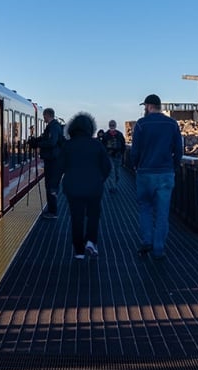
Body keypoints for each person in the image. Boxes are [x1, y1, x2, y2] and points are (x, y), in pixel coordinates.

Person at [129, 94, 183, 260]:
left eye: (144, 106)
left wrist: (135, 165)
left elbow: (135, 150)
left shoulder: (141, 124)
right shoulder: (172, 124)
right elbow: (179, 150)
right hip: (165, 173)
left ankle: (147, 240)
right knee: (162, 213)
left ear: (148, 106)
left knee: (145, 208)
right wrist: (172, 167)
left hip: (145, 173)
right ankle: (159, 248)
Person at [60, 112, 112, 260]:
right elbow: (107, 166)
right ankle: (91, 241)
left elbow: (60, 166)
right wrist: (100, 179)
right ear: (90, 128)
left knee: (77, 218)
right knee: (93, 215)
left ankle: (79, 251)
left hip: (73, 188)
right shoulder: (97, 145)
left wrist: (53, 187)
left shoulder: (68, 146)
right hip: (94, 188)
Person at [29, 107, 64, 218]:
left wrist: (38, 144)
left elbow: (52, 142)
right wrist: (36, 141)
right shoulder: (52, 126)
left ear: (47, 115)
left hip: (53, 161)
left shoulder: (53, 127)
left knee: (51, 186)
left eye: (44, 116)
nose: (43, 118)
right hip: (52, 160)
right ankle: (51, 209)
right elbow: (45, 138)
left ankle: (53, 212)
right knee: (49, 185)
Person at [100, 119, 126, 192]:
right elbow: (103, 146)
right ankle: (113, 187)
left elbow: (123, 145)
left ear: (115, 125)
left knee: (117, 172)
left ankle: (115, 184)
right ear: (109, 126)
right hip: (109, 156)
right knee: (112, 171)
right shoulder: (106, 135)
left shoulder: (120, 134)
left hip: (118, 156)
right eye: (111, 125)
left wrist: (122, 153)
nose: (112, 126)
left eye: (113, 125)